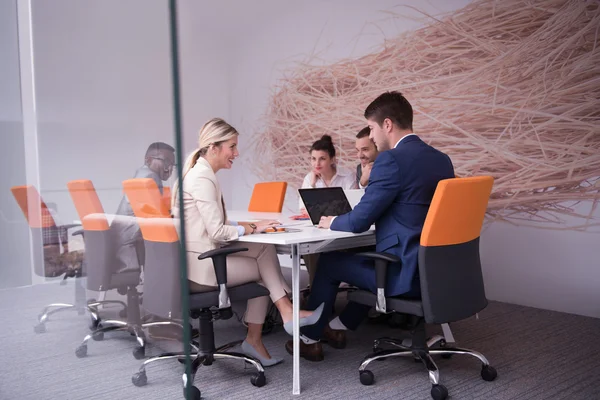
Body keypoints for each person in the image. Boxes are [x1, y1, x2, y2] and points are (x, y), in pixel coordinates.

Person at [286, 91, 455, 361]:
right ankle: (339, 326)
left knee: (330, 261)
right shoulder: (441, 159)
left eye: (373, 128)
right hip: (439, 273)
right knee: (360, 259)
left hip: (405, 275)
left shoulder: (391, 160)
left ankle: (310, 337)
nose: (372, 136)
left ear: (387, 124)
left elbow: (359, 220)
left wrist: (331, 221)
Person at [172, 118, 323, 367]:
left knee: (264, 247)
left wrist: (254, 227)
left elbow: (213, 225)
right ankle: (281, 316)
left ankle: (279, 318)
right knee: (264, 270)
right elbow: (218, 231)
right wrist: (249, 227)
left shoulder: (200, 173)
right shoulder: (202, 178)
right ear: (214, 147)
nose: (236, 153)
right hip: (202, 269)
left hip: (197, 260)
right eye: (232, 147)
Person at [298, 134, 357, 287]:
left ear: (332, 159)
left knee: (318, 249)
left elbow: (352, 207)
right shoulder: (309, 178)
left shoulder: (347, 177)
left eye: (322, 158)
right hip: (319, 230)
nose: (316, 163)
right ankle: (315, 289)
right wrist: (311, 183)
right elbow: (303, 209)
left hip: (341, 231)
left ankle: (318, 291)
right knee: (308, 247)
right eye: (313, 158)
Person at [114, 142, 176, 271]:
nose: (168, 168)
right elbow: (158, 219)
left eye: (172, 164)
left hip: (120, 240)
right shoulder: (151, 177)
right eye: (166, 162)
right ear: (148, 160)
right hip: (130, 245)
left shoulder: (140, 173)